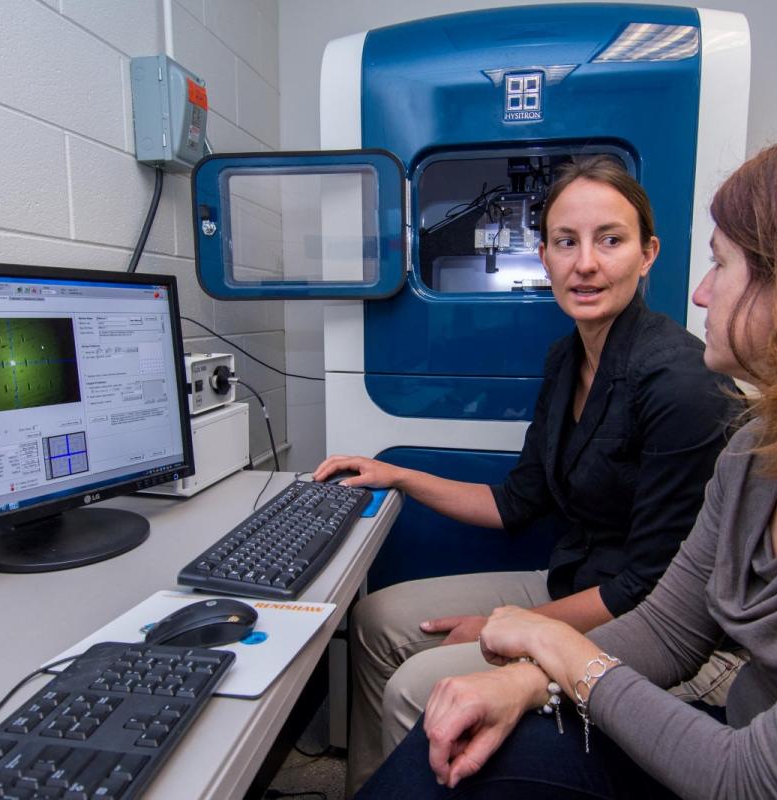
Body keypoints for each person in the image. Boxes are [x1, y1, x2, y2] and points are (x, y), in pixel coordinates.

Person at [360, 116, 777, 799]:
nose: (701, 293)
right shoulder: (764, 444)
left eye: (723, 262)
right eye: (564, 242)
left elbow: (748, 779)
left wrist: (547, 646)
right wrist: (522, 677)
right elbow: (668, 627)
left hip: (746, 770)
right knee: (438, 759)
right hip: (731, 723)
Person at [314, 157, 742, 792]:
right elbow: (518, 501)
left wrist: (506, 629)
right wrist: (396, 475)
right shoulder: (567, 358)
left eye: (611, 240)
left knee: (416, 686)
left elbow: (651, 591)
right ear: (543, 256)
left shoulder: (680, 384)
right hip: (574, 581)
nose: (586, 263)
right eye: (566, 242)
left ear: (648, 254)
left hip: (637, 618)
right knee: (376, 618)